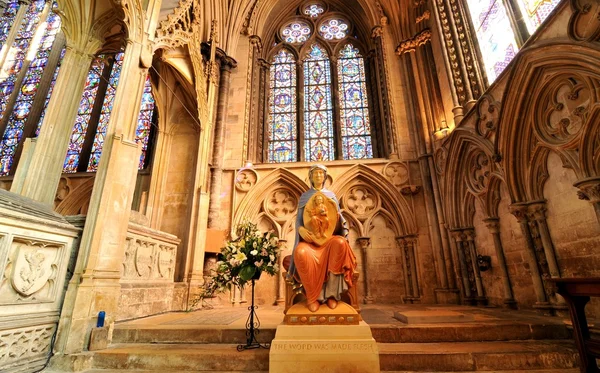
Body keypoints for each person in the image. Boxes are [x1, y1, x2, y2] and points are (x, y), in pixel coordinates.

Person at [287, 164, 357, 312]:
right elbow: (300, 221)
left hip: (328, 240)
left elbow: (338, 225)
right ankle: (313, 297)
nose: (318, 176)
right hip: (311, 242)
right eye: (315, 174)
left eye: (321, 174)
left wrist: (337, 216)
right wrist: (301, 229)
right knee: (300, 252)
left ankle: (332, 295)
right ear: (311, 177)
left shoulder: (331, 197)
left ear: (325, 177)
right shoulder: (305, 197)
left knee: (340, 242)